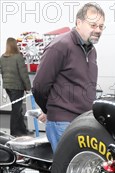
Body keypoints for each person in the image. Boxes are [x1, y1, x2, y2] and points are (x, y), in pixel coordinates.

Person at [32, 3, 104, 151]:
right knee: (66, 171)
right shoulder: (60, 46)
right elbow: (39, 86)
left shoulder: (92, 50)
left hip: (84, 121)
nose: (97, 30)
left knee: (80, 171)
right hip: (62, 123)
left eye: (101, 26)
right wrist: (50, 110)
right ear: (79, 22)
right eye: (93, 25)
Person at [0, 37, 31, 136]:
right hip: (17, 87)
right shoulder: (18, 57)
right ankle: (14, 132)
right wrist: (28, 87)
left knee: (18, 108)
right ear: (15, 45)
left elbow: (1, 71)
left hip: (8, 86)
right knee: (16, 110)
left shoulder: (2, 57)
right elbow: (23, 74)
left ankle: (23, 130)